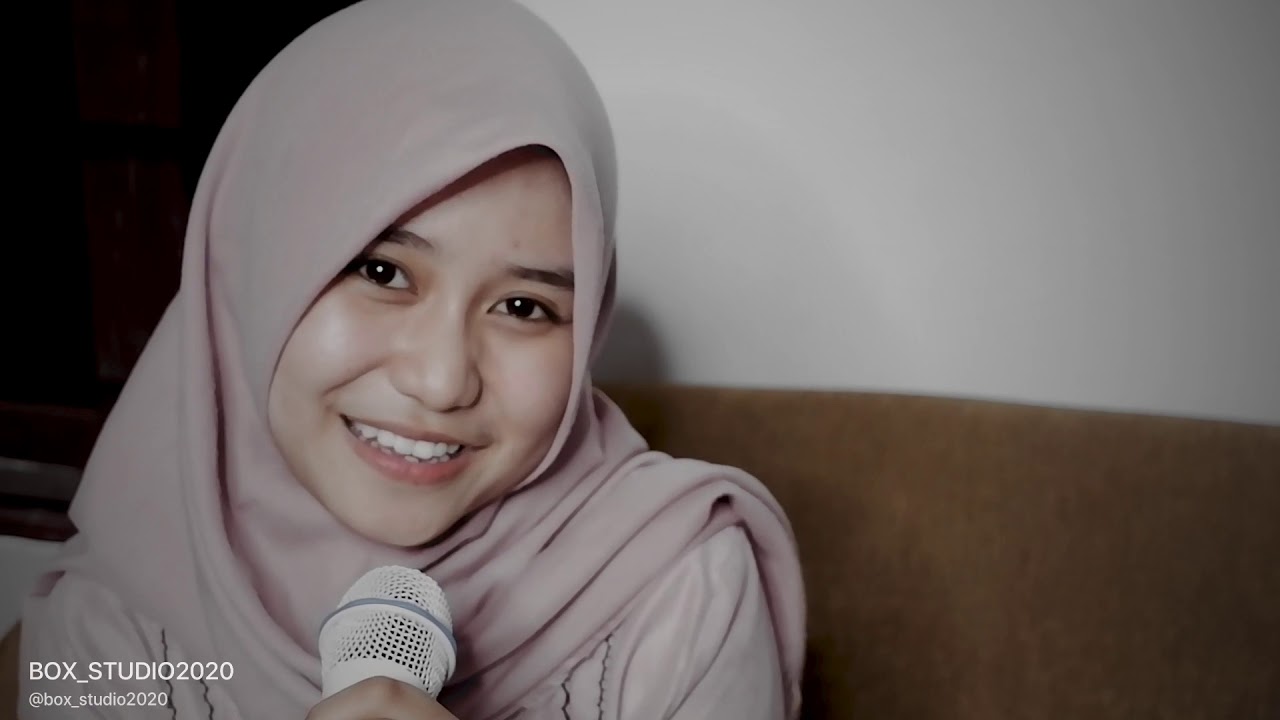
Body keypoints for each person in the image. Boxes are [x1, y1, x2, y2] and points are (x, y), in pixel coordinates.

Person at [9, 1, 806, 717]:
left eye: (523, 307)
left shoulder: (682, 593)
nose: (441, 380)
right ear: (248, 269)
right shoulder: (104, 623)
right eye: (382, 271)